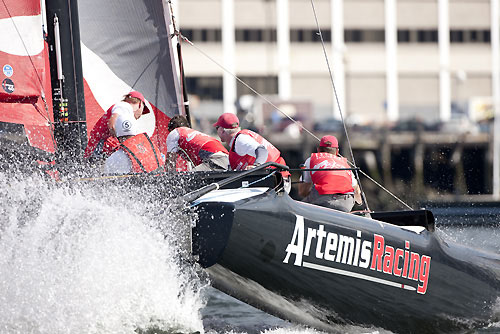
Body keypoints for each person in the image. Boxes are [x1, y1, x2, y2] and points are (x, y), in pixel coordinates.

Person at [213, 113, 290, 191]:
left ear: (222, 130)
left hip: (277, 182)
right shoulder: (243, 136)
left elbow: (262, 150)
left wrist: (256, 166)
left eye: (217, 128)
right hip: (276, 180)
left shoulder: (240, 140)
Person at [299, 135, 362, 212]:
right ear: (337, 151)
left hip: (323, 201)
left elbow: (302, 191)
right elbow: (357, 191)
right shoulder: (344, 163)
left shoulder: (311, 160)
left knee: (300, 206)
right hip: (346, 204)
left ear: (318, 149)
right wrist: (359, 203)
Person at [84, 91, 151, 160]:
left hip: (96, 148)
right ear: (140, 104)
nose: (141, 115)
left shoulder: (123, 109)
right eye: (143, 110)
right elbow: (111, 124)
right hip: (97, 149)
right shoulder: (124, 106)